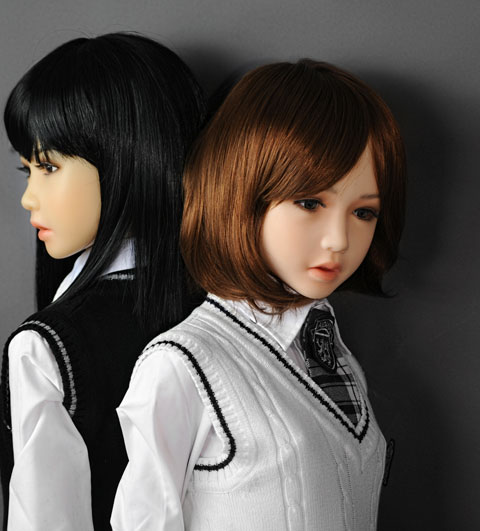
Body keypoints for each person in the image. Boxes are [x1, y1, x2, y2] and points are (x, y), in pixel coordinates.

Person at [111, 59, 406, 530]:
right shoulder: (182, 364)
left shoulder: (336, 356)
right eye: (310, 202)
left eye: (364, 213)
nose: (339, 240)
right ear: (242, 194)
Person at [0, 33, 205, 530]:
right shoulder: (223, 307)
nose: (28, 197)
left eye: (48, 166)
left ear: (130, 158)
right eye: (26, 169)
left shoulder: (45, 348)